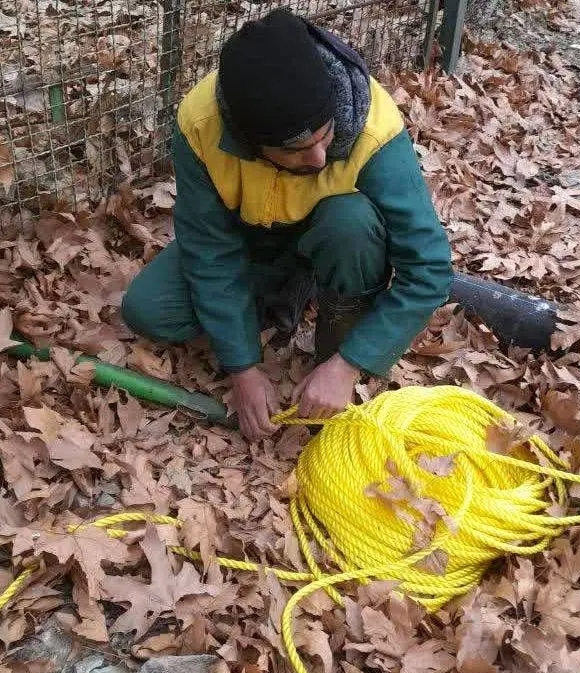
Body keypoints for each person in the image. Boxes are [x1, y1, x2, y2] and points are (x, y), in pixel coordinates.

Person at [121, 8, 452, 441]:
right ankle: (284, 297)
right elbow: (209, 250)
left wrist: (350, 363)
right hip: (250, 240)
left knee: (349, 223)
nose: (318, 158)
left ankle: (332, 340)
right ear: (251, 141)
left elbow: (428, 269)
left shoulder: (375, 125)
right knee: (147, 310)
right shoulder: (199, 125)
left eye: (326, 134)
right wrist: (243, 368)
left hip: (336, 240)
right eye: (297, 148)